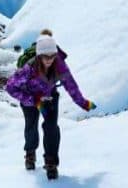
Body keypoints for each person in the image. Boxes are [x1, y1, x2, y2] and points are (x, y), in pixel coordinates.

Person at [5, 35, 96, 180]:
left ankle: (51, 163)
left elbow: (71, 86)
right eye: (45, 56)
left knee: (51, 128)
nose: (49, 59)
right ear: (39, 55)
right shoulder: (29, 68)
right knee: (31, 125)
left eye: (52, 56)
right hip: (30, 98)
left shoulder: (60, 66)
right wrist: (32, 100)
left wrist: (83, 103)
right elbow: (10, 87)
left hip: (49, 97)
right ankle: (30, 154)